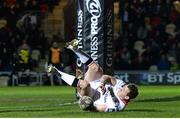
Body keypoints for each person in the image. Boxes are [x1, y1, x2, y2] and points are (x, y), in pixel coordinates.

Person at [47, 39, 139, 112]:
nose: (121, 88)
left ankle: (56, 72)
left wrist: (87, 105)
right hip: (97, 84)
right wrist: (102, 83)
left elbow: (97, 109)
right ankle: (74, 48)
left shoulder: (117, 106)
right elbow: (106, 77)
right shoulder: (121, 85)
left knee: (84, 84)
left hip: (90, 96)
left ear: (126, 97)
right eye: (124, 87)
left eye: (123, 90)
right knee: (96, 68)